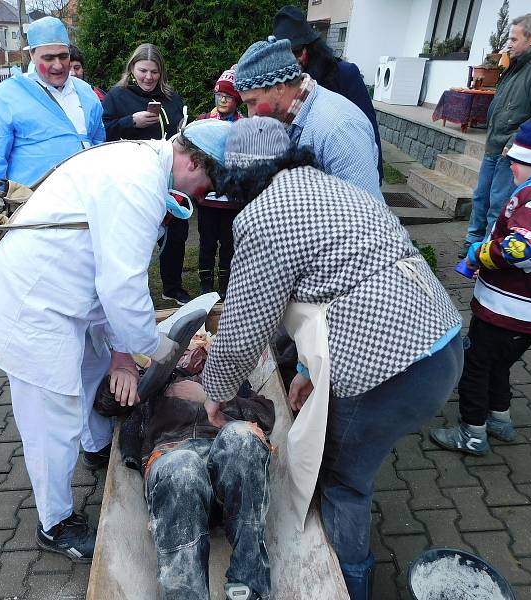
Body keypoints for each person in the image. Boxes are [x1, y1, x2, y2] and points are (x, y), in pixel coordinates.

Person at [196, 117, 463, 600]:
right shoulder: (330, 187)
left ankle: (348, 586)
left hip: (390, 368)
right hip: (440, 342)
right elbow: (331, 282)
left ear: (234, 176)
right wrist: (304, 370)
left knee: (343, 480)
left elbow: (242, 326)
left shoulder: (262, 216)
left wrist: (215, 393)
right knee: (352, 460)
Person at [0, 119, 231, 562]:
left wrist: (123, 354)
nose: (203, 194)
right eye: (206, 182)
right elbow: (122, 288)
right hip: (35, 304)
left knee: (92, 370)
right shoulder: (137, 183)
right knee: (53, 420)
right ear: (193, 160)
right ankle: (55, 524)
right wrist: (156, 348)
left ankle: (96, 447)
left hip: (67, 297)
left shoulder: (142, 163)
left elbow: (111, 281)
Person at [432, 103, 531, 456]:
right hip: (530, 309)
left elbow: (523, 250)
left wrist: (478, 255)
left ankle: (472, 433)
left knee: (475, 366)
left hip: (508, 308)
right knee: (499, 365)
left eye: (516, 160)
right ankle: (499, 418)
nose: (511, 166)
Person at [93, 344, 275, 600]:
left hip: (228, 475)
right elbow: (105, 404)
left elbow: (266, 415)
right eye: (184, 348)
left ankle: (248, 585)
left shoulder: (230, 383)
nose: (191, 352)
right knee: (183, 466)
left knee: (243, 437)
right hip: (172, 465)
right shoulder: (152, 384)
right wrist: (124, 373)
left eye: (197, 349)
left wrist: (208, 396)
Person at [459, 12, 531, 257]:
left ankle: (487, 252)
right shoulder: (517, 64)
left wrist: (516, 140)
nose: (509, 44)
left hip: (513, 150)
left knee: (499, 204)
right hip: (496, 143)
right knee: (481, 198)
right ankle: (472, 245)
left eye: (514, 39)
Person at [233, 36, 382, 202]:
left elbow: (366, 213)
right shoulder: (283, 119)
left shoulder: (339, 128)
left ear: (279, 88)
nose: (251, 114)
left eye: (253, 102)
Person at [102, 43, 191, 306]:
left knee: (176, 233)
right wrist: (131, 122)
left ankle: (172, 287)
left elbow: (180, 130)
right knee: (136, 236)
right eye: (143, 70)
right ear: (132, 68)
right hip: (132, 178)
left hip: (169, 177)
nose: (148, 77)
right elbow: (103, 133)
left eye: (154, 71)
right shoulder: (117, 97)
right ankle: (133, 292)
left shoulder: (172, 98)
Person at [0, 17, 105, 189]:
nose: (58, 66)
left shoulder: (85, 91)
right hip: (34, 206)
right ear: (32, 55)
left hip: (87, 197)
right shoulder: (8, 95)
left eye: (63, 56)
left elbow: (99, 141)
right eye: (49, 58)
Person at [272, 4, 383, 185]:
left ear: (310, 48)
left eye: (296, 51)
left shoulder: (345, 74)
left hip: (348, 168)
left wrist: (376, 175)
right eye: (285, 53)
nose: (292, 59)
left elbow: (368, 124)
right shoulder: (279, 85)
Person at [196, 66, 244, 297]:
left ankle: (226, 287)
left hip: (232, 200)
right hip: (207, 199)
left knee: (229, 245)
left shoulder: (245, 126)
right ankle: (205, 286)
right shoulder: (204, 121)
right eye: (219, 95)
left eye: (228, 96)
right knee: (206, 243)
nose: (223, 100)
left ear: (237, 100)